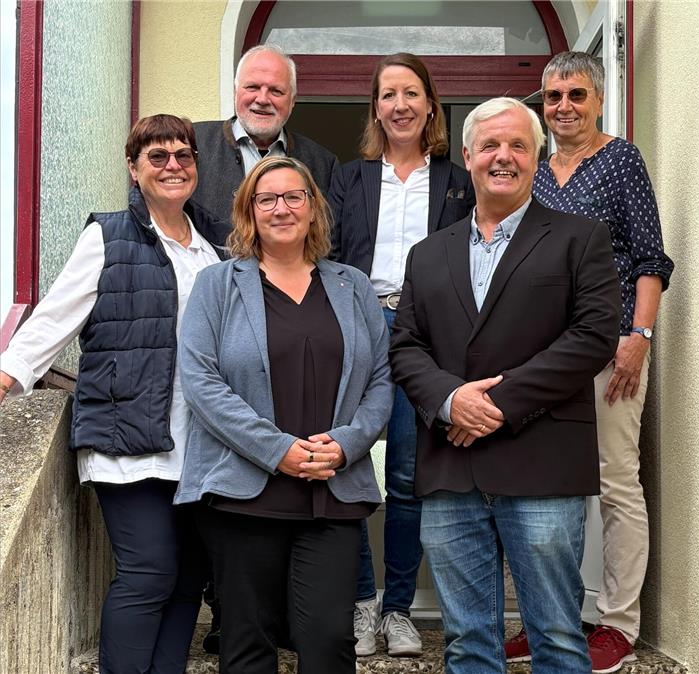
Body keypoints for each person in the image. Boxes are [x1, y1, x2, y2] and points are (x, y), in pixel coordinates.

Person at [389, 97, 621, 674]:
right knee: (467, 645)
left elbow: (593, 337)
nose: (504, 156)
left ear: (537, 157)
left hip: (542, 463)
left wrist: (492, 403)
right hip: (451, 467)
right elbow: (405, 347)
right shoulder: (426, 254)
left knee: (558, 639)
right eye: (490, 145)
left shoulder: (580, 238)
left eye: (519, 145)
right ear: (466, 156)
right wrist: (450, 401)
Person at [0, 114, 226, 673]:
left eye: (183, 155)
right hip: (127, 438)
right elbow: (54, 317)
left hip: (198, 445)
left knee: (188, 578)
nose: (173, 165)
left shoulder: (215, 245)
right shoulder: (108, 234)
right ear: (134, 167)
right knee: (149, 570)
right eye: (158, 156)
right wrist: (10, 375)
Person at [174, 156, 393, 674]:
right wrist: (279, 452)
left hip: (330, 491)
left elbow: (381, 380)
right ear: (249, 212)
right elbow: (201, 382)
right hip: (244, 494)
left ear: (314, 208)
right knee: (247, 645)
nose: (281, 208)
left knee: (329, 642)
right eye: (266, 199)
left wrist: (345, 445)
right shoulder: (217, 285)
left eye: (294, 196)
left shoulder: (353, 286)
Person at [503, 52, 674, 674]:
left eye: (576, 94)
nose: (564, 107)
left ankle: (619, 623)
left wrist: (639, 337)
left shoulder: (620, 160)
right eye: (553, 96)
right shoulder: (533, 171)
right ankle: (547, 617)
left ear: (598, 100)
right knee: (541, 486)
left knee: (614, 482)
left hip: (611, 351)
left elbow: (651, 259)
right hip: (542, 358)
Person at [328, 51, 474, 658]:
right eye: (388, 95)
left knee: (411, 477)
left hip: (426, 332)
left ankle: (398, 612)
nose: (400, 105)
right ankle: (363, 605)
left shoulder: (457, 179)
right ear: (376, 108)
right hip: (361, 325)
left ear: (430, 106)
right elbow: (327, 252)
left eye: (411, 93)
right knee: (352, 468)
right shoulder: (349, 177)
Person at [192, 43, 338, 228]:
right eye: (252, 87)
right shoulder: (193, 145)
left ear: (292, 101)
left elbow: (327, 238)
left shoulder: (322, 164)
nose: (262, 99)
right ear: (235, 93)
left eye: (276, 91)